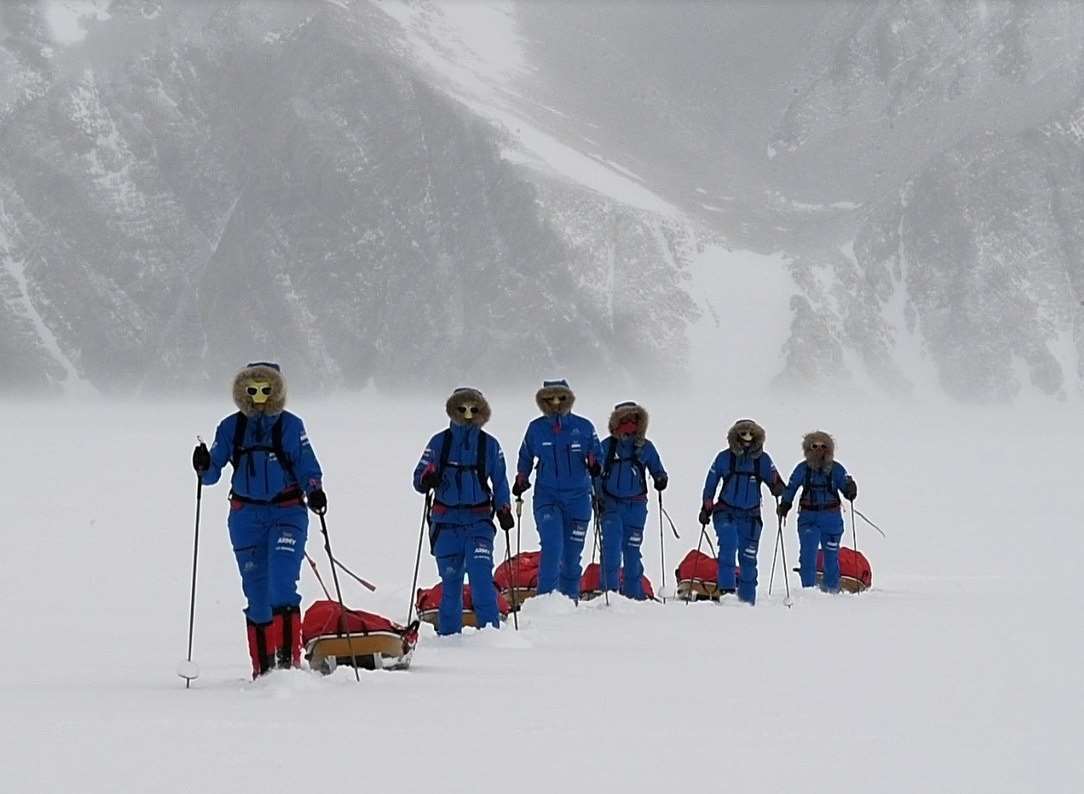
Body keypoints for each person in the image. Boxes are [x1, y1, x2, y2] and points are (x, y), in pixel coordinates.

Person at [191, 362, 325, 679]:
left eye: (267, 389)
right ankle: (264, 673)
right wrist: (202, 464)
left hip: (287, 513)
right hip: (245, 517)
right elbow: (211, 476)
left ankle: (289, 667)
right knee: (256, 591)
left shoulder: (291, 426)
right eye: (253, 389)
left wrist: (315, 491)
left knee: (281, 582)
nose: (260, 395)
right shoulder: (230, 427)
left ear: (277, 390)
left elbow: (308, 466)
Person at [413, 387, 513, 635]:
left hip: (479, 522)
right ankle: (449, 639)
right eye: (462, 408)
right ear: (453, 410)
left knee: (481, 580)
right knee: (451, 585)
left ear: (481, 412)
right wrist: (428, 479)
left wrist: (504, 509)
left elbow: (500, 481)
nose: (468, 414)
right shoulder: (439, 443)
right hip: (445, 524)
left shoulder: (489, 445)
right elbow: (418, 479)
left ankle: (491, 635)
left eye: (473, 409)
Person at [513, 379, 602, 600]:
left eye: (560, 398)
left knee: (572, 557)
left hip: (579, 499)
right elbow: (525, 456)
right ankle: (546, 602)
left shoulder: (584, 427)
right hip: (547, 497)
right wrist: (521, 478)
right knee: (552, 547)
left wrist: (595, 464)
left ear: (568, 399)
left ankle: (570, 602)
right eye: (549, 399)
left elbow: (597, 455)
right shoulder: (536, 428)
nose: (555, 403)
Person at [699, 419, 784, 605]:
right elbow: (711, 483)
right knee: (728, 547)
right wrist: (706, 507)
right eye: (743, 434)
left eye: (751, 434)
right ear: (735, 437)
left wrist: (779, 489)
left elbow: (775, 480)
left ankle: (747, 601)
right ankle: (727, 594)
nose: (747, 438)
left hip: (751, 517)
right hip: (725, 512)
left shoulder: (762, 460)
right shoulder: (724, 457)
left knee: (749, 558)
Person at [596, 401, 667, 599]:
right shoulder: (607, 447)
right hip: (610, 505)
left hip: (636, 506)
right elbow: (595, 476)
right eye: (624, 420)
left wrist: (661, 479)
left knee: (632, 550)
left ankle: (634, 595)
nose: (629, 425)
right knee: (611, 549)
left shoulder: (645, 447)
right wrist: (598, 498)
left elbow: (657, 470)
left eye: (633, 420)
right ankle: (609, 594)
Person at [777, 431, 857, 593]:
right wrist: (785, 503)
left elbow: (845, 486)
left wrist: (850, 490)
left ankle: (832, 589)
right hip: (809, 517)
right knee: (808, 555)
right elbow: (791, 487)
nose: (819, 449)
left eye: (823, 446)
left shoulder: (836, 469)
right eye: (815, 446)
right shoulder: (802, 469)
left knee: (831, 555)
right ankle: (808, 591)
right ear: (808, 448)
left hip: (832, 517)